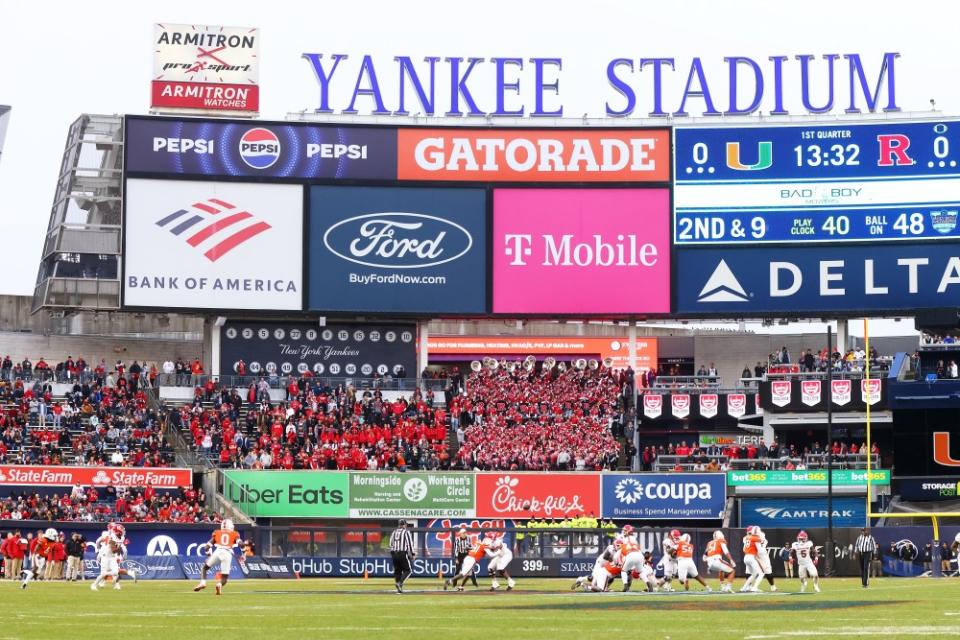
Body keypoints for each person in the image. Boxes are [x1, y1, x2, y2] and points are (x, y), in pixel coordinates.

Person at [193, 519, 241, 595]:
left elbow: (206, 547)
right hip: (228, 553)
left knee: (204, 568)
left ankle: (203, 583)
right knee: (224, 577)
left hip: (218, 551)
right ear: (231, 526)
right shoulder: (234, 533)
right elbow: (240, 543)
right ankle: (219, 585)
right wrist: (244, 549)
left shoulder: (217, 532)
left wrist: (209, 555)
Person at [389, 519, 416, 593]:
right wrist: (413, 554)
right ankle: (400, 583)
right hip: (402, 553)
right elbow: (410, 544)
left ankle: (399, 588)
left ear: (399, 525)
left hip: (394, 553)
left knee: (397, 571)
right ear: (404, 525)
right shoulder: (406, 532)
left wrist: (393, 553)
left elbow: (390, 544)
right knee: (408, 570)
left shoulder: (394, 532)